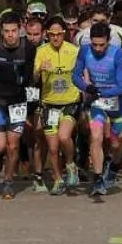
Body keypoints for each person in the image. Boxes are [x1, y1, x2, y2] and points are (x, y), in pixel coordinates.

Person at [0, 11, 37, 200]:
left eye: (14, 30)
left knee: (13, 146)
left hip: (18, 101)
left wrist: (26, 86)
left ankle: (8, 182)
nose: (11, 35)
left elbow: (29, 76)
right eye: (7, 31)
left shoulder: (28, 48)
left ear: (19, 30)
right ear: (1, 32)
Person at [72, 22, 122, 197]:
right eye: (94, 44)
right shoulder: (84, 51)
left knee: (115, 144)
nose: (97, 48)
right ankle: (97, 179)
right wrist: (87, 87)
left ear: (108, 41)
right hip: (97, 103)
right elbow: (75, 75)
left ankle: (113, 166)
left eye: (101, 45)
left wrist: (101, 91)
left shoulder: (118, 55)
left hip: (117, 105)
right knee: (96, 137)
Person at [34, 16, 82, 195]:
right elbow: (33, 78)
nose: (55, 38)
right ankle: (57, 179)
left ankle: (70, 164)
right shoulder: (41, 51)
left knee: (63, 137)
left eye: (59, 34)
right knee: (53, 148)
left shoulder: (74, 51)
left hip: (70, 102)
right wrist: (40, 70)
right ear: (47, 34)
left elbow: (82, 74)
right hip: (49, 103)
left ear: (65, 33)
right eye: (52, 34)